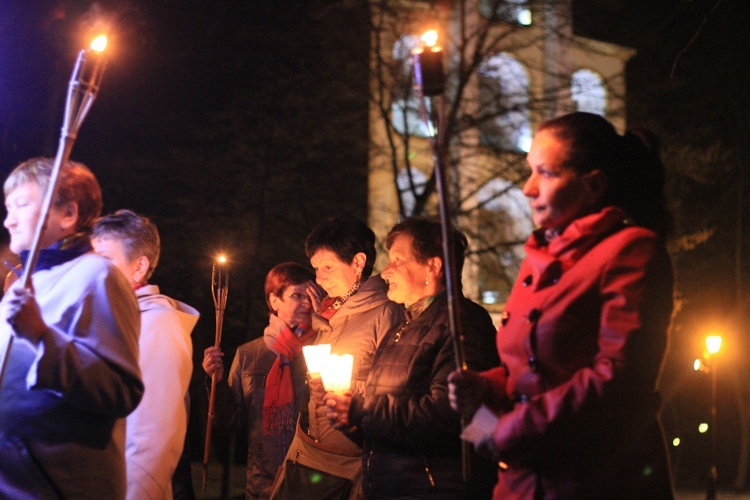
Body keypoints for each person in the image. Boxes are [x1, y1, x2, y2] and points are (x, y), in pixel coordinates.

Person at [448, 112, 675, 498]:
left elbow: (619, 376)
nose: (527, 188)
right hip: (522, 481)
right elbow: (529, 368)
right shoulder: (538, 256)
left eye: (546, 173)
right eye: (529, 170)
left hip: (596, 480)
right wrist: (487, 387)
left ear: (593, 185)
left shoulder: (632, 251)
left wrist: (510, 430)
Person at [322, 217, 500, 498]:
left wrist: (363, 411)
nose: (385, 272)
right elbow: (386, 433)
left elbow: (449, 415)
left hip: (432, 489)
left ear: (433, 267)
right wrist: (351, 422)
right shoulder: (402, 327)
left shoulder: (462, 322)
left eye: (397, 260)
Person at [0, 157, 143, 498]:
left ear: (68, 214)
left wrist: (41, 335)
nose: (9, 220)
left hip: (59, 486)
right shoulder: (25, 285)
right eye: (7, 208)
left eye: (21, 205)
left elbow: (120, 390)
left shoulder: (97, 276)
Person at [271, 216, 405, 499]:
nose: (319, 277)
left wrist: (343, 391)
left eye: (328, 267)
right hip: (304, 450)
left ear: (358, 262)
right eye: (316, 268)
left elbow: (396, 390)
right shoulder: (325, 314)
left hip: (345, 464)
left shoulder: (386, 314)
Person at [91, 209, 200, 500]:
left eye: (103, 261)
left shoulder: (157, 325)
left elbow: (153, 438)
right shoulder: (108, 319)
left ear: (139, 267)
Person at [202, 262, 316, 499]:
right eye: (297, 295)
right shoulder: (249, 354)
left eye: (310, 295)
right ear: (275, 300)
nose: (307, 303)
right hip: (262, 484)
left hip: (314, 481)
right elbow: (229, 424)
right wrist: (217, 382)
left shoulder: (323, 347)